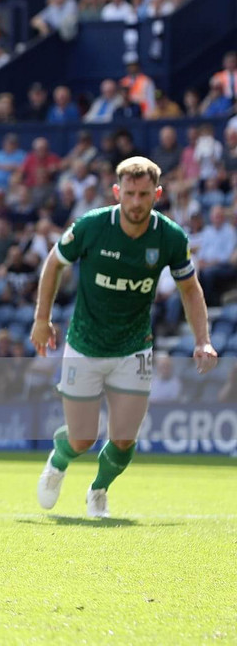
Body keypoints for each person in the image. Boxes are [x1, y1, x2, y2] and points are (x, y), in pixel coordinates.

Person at [31, 157, 218, 518]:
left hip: (134, 348)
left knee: (123, 440)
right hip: (85, 344)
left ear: (157, 194)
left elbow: (191, 290)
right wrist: (42, 318)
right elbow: (54, 263)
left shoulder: (170, 237)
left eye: (144, 194)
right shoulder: (92, 226)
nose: (136, 202)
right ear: (117, 192)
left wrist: (202, 339)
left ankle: (99, 490)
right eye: (129, 193)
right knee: (82, 438)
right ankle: (59, 458)